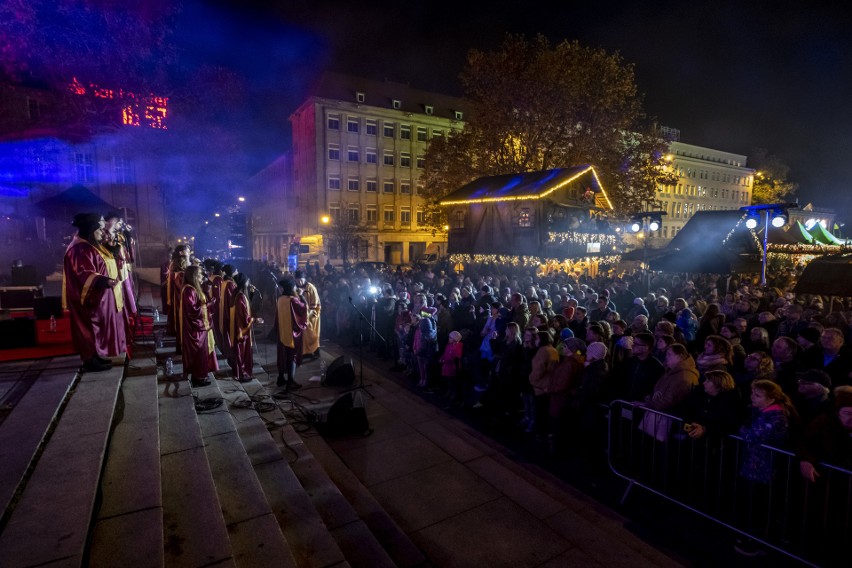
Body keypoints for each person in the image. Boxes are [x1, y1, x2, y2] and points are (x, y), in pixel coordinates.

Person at [63, 213, 126, 372]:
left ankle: (95, 355)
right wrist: (104, 281)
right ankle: (89, 360)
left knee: (93, 329)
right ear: (91, 230)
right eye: (99, 230)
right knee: (87, 327)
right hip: (85, 297)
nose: (102, 233)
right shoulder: (79, 248)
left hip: (95, 294)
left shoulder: (86, 245)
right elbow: (84, 272)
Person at [180, 264, 217, 388]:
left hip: (199, 329)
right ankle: (198, 378)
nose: (202, 277)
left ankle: (201, 376)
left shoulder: (194, 288)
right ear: (194, 276)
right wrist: (209, 304)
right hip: (195, 330)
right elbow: (192, 311)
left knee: (202, 354)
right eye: (200, 274)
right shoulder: (189, 290)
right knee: (198, 354)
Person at [273, 278, 308, 390]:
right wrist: (302, 296)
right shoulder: (293, 300)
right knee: (292, 355)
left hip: (282, 331)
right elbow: (304, 308)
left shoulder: (280, 299)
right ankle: (290, 381)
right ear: (292, 288)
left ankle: (281, 378)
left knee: (282, 355)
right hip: (292, 333)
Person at [230, 272, 260, 383]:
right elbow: (244, 316)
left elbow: (246, 308)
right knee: (242, 352)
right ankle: (242, 373)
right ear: (244, 282)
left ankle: (241, 372)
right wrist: (253, 320)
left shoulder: (237, 293)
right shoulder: (240, 297)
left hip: (238, 328)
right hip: (241, 330)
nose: (249, 282)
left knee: (240, 351)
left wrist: (251, 294)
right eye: (248, 281)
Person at [295, 270, 322, 359]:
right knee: (304, 334)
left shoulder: (311, 287)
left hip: (312, 313)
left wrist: (309, 313)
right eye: (297, 280)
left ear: (304, 279)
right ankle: (307, 352)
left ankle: (316, 351)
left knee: (312, 333)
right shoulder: (296, 288)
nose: (299, 282)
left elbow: (315, 302)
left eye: (301, 280)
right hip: (303, 314)